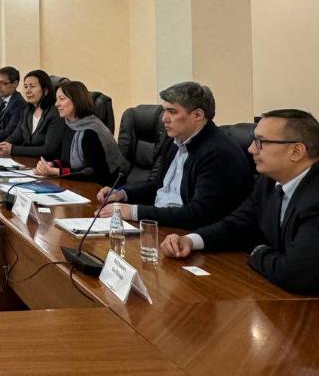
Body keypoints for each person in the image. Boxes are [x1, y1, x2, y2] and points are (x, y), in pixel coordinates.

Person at [161, 109, 319, 295]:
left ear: (296, 151)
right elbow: (237, 225)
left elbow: (296, 275)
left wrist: (257, 251)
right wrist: (190, 240)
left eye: (260, 142)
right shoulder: (269, 181)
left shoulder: (314, 197)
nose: (251, 149)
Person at [96, 82, 252, 229]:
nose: (164, 118)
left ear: (197, 115)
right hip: (164, 224)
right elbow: (160, 187)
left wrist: (134, 212)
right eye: (164, 110)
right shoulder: (175, 142)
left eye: (172, 111)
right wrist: (122, 194)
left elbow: (199, 214)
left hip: (188, 234)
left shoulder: (218, 153)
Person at [36, 80, 127, 184]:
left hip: (102, 187)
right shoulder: (70, 124)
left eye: (62, 99)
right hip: (78, 184)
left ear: (76, 100)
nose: (56, 104)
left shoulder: (91, 132)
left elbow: (92, 172)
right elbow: (66, 161)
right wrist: (51, 165)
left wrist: (56, 171)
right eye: (56, 99)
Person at [0, 69, 61, 158]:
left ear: (45, 90)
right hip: (27, 161)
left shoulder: (55, 112)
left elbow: (49, 150)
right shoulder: (27, 110)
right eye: (25, 87)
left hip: (46, 164)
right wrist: (3, 145)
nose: (27, 91)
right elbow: (16, 136)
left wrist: (13, 149)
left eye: (32, 86)